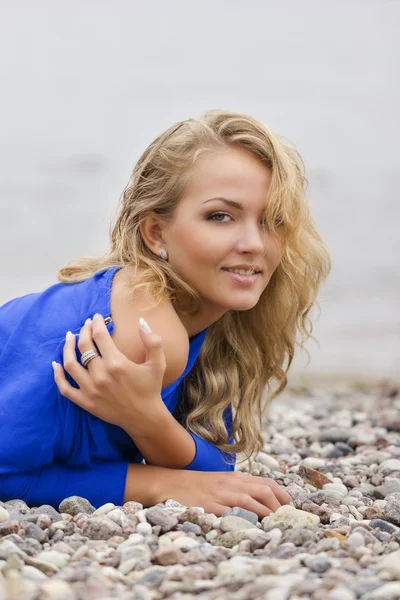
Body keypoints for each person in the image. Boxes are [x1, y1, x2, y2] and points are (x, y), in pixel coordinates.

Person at [0, 109, 331, 518]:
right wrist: (159, 484)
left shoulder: (214, 325)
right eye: (220, 216)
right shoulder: (142, 337)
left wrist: (150, 422)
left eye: (271, 220)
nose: (254, 243)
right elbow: (6, 474)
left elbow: (217, 469)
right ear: (156, 232)